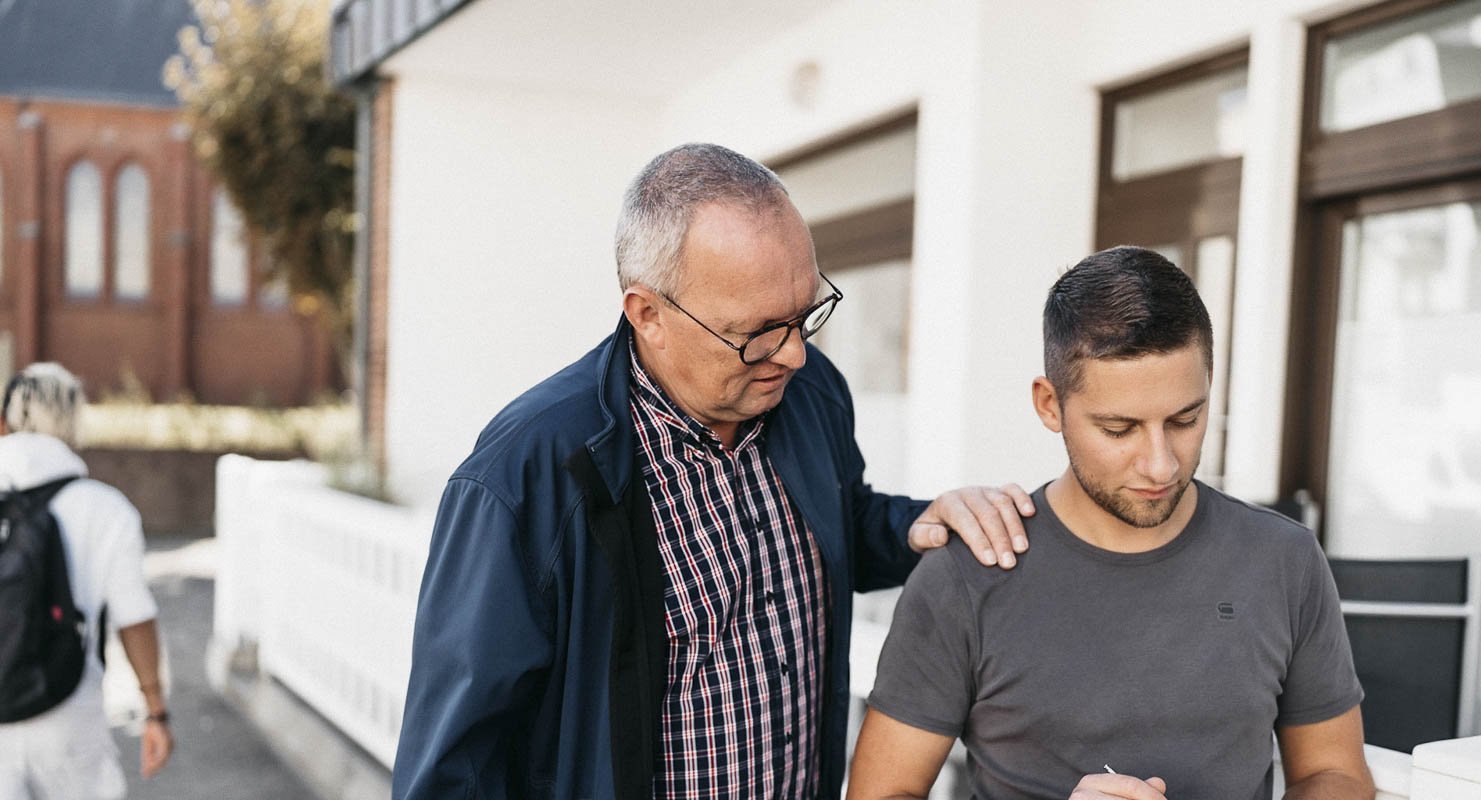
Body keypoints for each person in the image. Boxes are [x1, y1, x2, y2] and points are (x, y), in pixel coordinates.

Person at [393, 143, 1035, 800]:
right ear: (648, 315)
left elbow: (836, 522)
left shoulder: (810, 394)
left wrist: (914, 525)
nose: (791, 354)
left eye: (804, 315)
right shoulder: (525, 473)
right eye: (757, 332)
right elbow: (453, 767)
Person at [848, 246, 1374, 800]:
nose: (1160, 464)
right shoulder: (965, 574)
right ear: (1050, 405)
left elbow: (1334, 774)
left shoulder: (1284, 560)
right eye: (1119, 429)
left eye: (1185, 419)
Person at [0, 363, 173, 799]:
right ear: (74, 424)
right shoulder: (106, 508)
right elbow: (134, 617)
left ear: (4, 422)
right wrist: (155, 711)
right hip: (67, 710)